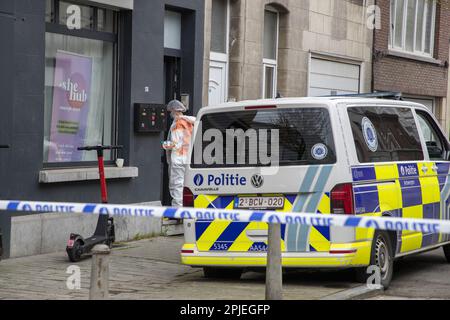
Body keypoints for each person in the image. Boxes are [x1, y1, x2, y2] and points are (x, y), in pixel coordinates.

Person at [162, 100, 196, 207]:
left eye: (171, 112)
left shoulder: (177, 124)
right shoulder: (190, 122)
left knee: (176, 186)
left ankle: (177, 211)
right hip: (188, 158)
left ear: (175, 111)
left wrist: (165, 144)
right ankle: (186, 210)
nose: (170, 114)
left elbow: (175, 144)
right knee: (186, 186)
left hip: (178, 159)